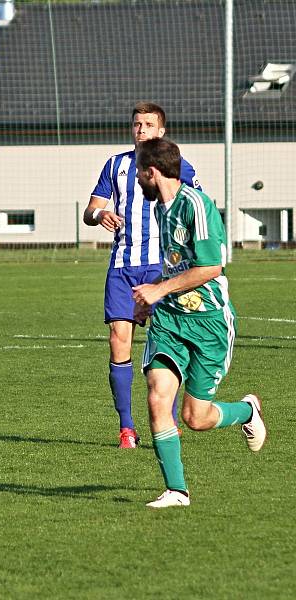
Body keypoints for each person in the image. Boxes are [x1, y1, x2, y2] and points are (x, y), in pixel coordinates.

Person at [131, 137, 266, 508]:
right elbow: (176, 262)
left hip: (208, 322)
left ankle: (246, 410)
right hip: (171, 321)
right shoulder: (161, 208)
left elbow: (210, 267)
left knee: (196, 417)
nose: (137, 179)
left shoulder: (197, 205)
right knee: (158, 398)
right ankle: (177, 490)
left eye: (139, 172)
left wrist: (158, 291)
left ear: (152, 171)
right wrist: (150, 299)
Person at [83, 102, 201, 448]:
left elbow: (198, 204)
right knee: (119, 341)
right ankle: (126, 427)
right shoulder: (116, 164)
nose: (141, 130)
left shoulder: (178, 165)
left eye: (148, 124)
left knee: (166, 343)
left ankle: (168, 420)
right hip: (122, 265)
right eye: (137, 124)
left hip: (162, 266)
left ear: (161, 131)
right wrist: (99, 215)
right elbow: (91, 208)